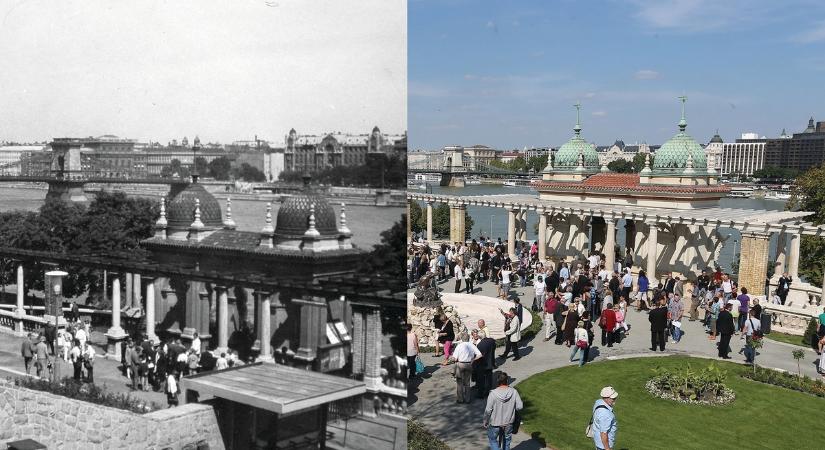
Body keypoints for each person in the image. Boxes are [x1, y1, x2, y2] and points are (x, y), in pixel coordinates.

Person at [483, 371, 523, 450]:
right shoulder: (514, 392)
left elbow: (488, 410)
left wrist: (485, 421)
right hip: (508, 423)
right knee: (507, 442)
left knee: (493, 440)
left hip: (495, 424)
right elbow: (520, 407)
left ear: (498, 381)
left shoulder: (493, 394)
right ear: (507, 381)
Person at [452, 332, 482, 403]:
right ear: (468, 338)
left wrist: (451, 359)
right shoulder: (471, 345)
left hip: (460, 364)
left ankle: (460, 399)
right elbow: (480, 355)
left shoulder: (459, 346)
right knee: (467, 383)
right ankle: (468, 399)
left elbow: (455, 358)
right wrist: (473, 360)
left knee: (459, 383)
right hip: (469, 364)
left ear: (462, 339)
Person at [473, 330, 496, 399]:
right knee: (489, 378)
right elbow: (494, 347)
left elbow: (479, 355)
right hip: (490, 362)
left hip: (482, 364)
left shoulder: (480, 345)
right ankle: (488, 391)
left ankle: (480, 394)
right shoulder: (492, 341)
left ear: (479, 337)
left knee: (481, 379)